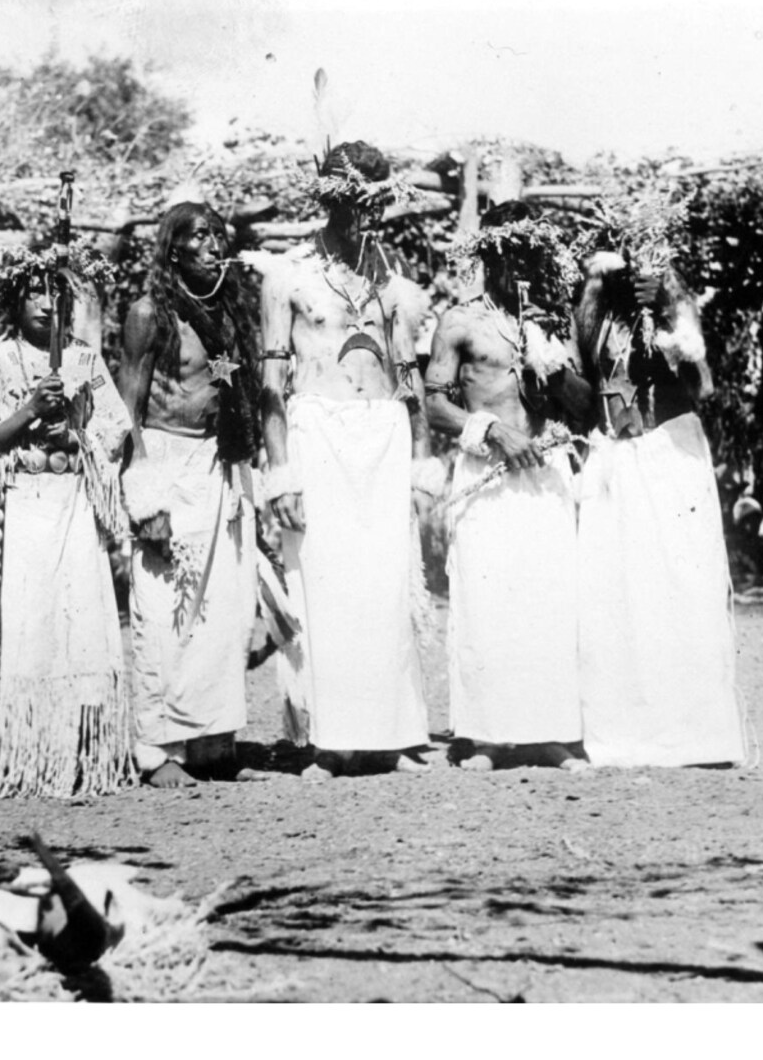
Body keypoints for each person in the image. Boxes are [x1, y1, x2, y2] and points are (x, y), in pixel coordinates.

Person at [244, 140, 433, 779]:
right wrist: (281, 472)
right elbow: (270, 383)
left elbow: (409, 380)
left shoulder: (394, 283)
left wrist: (421, 466)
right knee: (320, 584)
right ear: (328, 202)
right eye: (353, 204)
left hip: (382, 434)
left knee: (384, 585)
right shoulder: (288, 278)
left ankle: (392, 737)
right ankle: (326, 741)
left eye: (373, 206)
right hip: (315, 432)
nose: (363, 219)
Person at [0, 249, 134, 798]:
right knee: (19, 626)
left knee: (71, 628)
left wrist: (72, 436)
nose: (45, 303)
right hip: (14, 505)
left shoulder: (84, 359)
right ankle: (7, 753)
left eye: (56, 293)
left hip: (71, 503)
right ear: (13, 299)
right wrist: (28, 412)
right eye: (33, 292)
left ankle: (73, 755)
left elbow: (115, 430)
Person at [424, 201, 591, 771]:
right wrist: (490, 429)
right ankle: (488, 735)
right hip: (486, 477)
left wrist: (555, 364)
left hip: (546, 473)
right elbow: (434, 405)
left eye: (530, 250)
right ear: (489, 253)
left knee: (550, 600)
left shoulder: (554, 319)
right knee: (489, 600)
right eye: (508, 250)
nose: (518, 261)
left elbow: (584, 406)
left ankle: (550, 733)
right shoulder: (459, 322)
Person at [574, 250, 747, 767]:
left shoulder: (674, 310)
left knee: (682, 586)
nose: (627, 281)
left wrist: (669, 321)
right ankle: (626, 734)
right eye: (615, 273)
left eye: (635, 270)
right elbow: (583, 393)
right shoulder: (593, 316)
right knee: (618, 593)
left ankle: (698, 736)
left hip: (670, 456)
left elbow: (704, 387)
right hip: (616, 462)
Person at [117, 202, 262, 787]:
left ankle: (212, 747)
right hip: (167, 464)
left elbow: (231, 389)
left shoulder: (224, 313)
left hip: (218, 466)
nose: (212, 244)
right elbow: (128, 410)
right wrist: (144, 499)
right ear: (172, 248)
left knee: (223, 612)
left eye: (217, 234)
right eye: (198, 236)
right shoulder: (148, 314)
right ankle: (159, 752)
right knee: (163, 609)